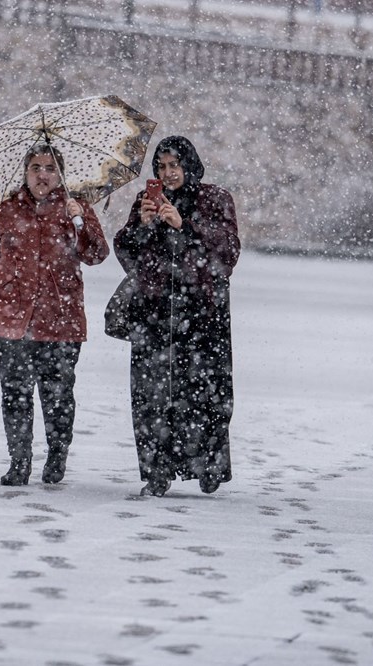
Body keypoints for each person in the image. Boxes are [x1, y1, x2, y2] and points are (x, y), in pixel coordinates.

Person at [0, 145, 110, 486]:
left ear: (60, 175)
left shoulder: (75, 207)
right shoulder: (8, 210)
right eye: (36, 167)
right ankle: (19, 461)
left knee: (58, 396)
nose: (42, 175)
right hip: (8, 318)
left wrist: (80, 222)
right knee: (15, 394)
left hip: (60, 320)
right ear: (26, 172)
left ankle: (57, 454)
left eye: (50, 168)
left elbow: (96, 255)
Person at [113, 136, 241, 496]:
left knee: (206, 394)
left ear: (189, 165)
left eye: (174, 165)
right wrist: (141, 227)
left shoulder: (215, 199)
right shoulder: (147, 201)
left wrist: (186, 224)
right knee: (151, 397)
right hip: (154, 314)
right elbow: (127, 255)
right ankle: (157, 472)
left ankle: (208, 465)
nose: (168, 173)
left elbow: (228, 252)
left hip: (202, 316)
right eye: (161, 166)